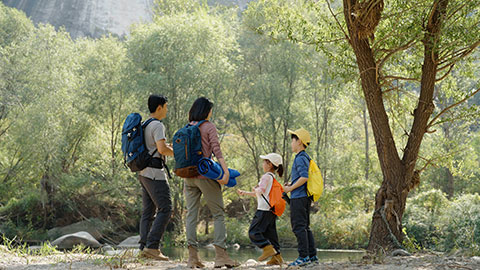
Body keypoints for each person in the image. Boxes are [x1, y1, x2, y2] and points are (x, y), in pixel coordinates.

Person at [184, 97, 239, 268]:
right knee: (218, 214)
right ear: (206, 111)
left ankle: (193, 258)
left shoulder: (187, 127)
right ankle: (221, 256)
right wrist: (225, 172)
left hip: (188, 176)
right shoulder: (208, 126)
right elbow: (217, 150)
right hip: (205, 176)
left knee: (191, 214)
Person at [138, 94, 174, 260]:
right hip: (155, 174)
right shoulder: (158, 125)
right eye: (166, 106)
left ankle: (143, 247)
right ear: (159, 107)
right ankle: (152, 247)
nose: (167, 109)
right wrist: (178, 153)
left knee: (148, 212)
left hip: (143, 173)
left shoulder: (144, 124)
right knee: (165, 208)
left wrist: (167, 147)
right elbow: (161, 149)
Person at [237, 153, 284, 266]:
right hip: (270, 211)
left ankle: (267, 248)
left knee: (254, 232)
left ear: (269, 164)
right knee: (271, 235)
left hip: (263, 210)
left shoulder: (266, 177)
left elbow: (261, 190)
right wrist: (246, 193)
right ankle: (277, 258)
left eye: (264, 161)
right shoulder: (272, 178)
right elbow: (262, 194)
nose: (262, 163)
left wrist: (256, 188)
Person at [283, 128, 318, 266]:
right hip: (303, 197)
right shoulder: (303, 157)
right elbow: (302, 178)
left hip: (299, 198)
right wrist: (291, 184)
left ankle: (303, 257)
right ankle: (312, 256)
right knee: (305, 227)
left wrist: (290, 188)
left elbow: (304, 177)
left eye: (292, 140)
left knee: (298, 227)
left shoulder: (300, 158)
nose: (291, 143)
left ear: (299, 142)